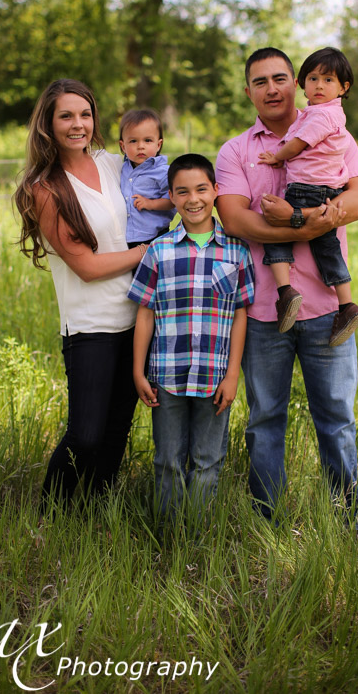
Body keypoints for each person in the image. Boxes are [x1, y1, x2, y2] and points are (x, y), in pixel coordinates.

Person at [215, 47, 358, 528]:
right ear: (249, 92)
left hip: (327, 308)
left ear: (296, 83)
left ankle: (352, 522)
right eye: (260, 81)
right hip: (264, 311)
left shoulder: (332, 128)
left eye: (280, 78)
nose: (272, 88)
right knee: (265, 422)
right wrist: (306, 227)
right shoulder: (236, 151)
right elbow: (238, 220)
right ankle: (269, 524)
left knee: (337, 421)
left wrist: (297, 217)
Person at [14, 78, 146, 509]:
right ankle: (50, 516)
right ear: (48, 125)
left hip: (137, 317)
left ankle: (94, 515)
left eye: (85, 114)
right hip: (90, 325)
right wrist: (147, 252)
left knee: (114, 434)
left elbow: (159, 170)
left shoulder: (112, 164)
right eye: (66, 116)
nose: (78, 124)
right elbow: (87, 267)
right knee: (85, 435)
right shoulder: (45, 187)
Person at [127, 154, 255, 523]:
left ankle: (196, 536)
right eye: (182, 192)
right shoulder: (159, 251)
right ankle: (168, 535)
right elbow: (145, 313)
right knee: (167, 459)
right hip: (167, 375)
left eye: (201, 189)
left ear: (216, 191)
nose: (193, 199)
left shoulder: (236, 251)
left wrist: (233, 375)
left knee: (208, 460)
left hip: (215, 377)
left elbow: (240, 314)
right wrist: (139, 372)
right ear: (171, 196)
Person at [257, 47, 358, 345]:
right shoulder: (329, 115)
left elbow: (297, 144)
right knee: (327, 247)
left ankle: (285, 292)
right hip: (328, 192)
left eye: (328, 80)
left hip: (306, 188)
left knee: (275, 231)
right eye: (313, 78)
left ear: (344, 88)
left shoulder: (321, 115)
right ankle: (346, 305)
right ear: (302, 84)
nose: (319, 86)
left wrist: (278, 157)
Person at [119, 108, 176, 247]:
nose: (140, 146)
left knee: (154, 268)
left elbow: (173, 200)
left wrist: (150, 204)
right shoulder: (122, 169)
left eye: (148, 140)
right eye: (133, 141)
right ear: (123, 146)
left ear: (158, 144)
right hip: (127, 238)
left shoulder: (162, 172)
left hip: (155, 236)